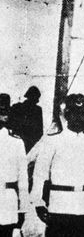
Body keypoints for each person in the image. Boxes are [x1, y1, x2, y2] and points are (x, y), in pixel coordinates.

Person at [31, 94, 84, 237]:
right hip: (59, 207)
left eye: (83, 114)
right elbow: (39, 174)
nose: (79, 118)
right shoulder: (52, 141)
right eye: (74, 113)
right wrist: (38, 203)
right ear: (67, 115)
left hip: (83, 206)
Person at [0, 93, 29, 237]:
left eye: (5, 111)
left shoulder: (16, 143)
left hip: (7, 204)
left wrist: (22, 211)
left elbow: (23, 180)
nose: (3, 115)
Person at [10, 86, 43, 153]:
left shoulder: (17, 107)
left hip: (22, 141)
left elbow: (39, 129)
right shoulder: (37, 109)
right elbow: (40, 130)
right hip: (26, 142)